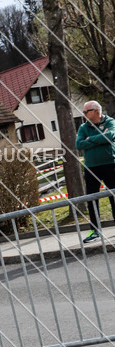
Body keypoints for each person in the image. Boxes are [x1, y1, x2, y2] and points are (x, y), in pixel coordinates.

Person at [75, 101, 115, 242]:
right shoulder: (83, 127)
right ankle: (95, 230)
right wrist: (100, 138)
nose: (84, 114)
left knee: (114, 196)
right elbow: (79, 144)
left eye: (86, 111)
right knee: (91, 198)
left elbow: (109, 136)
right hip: (91, 167)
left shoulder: (110, 122)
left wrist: (90, 139)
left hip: (111, 164)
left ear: (96, 111)